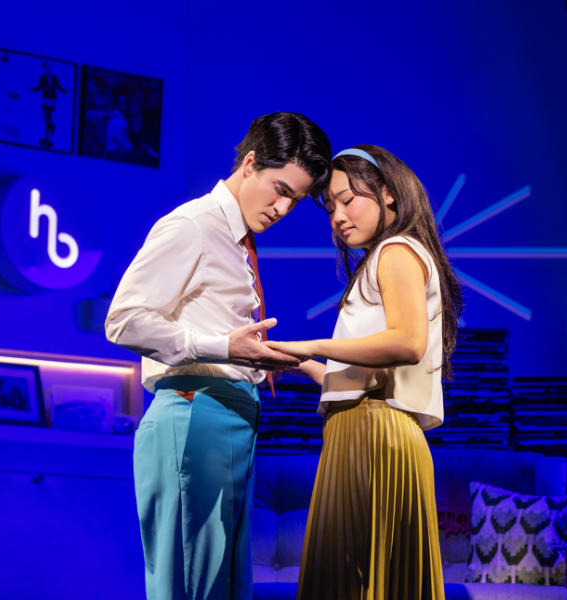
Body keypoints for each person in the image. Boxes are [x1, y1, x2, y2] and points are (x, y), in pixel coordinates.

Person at [105, 113, 332, 600]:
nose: (284, 207)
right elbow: (123, 320)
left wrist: (310, 366)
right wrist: (223, 346)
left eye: (294, 198)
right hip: (194, 412)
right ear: (249, 163)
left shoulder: (236, 241)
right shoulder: (193, 225)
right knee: (190, 586)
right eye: (279, 188)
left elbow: (230, 336)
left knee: (221, 590)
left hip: (229, 417)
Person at [265, 145, 463, 600]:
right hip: (368, 426)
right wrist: (299, 362)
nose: (337, 215)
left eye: (347, 199)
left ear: (388, 194)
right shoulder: (386, 256)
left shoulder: (395, 251)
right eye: (330, 206)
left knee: (354, 580)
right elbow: (362, 374)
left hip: (372, 432)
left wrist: (312, 343)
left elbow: (408, 343)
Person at [32, 61, 67, 148]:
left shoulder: (54, 77)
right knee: (46, 116)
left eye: (48, 66)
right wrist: (30, 89)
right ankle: (50, 128)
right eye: (46, 66)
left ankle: (48, 134)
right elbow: (38, 87)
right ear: (44, 68)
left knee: (49, 114)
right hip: (45, 99)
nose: (48, 68)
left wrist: (67, 91)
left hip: (52, 99)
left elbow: (59, 87)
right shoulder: (42, 77)